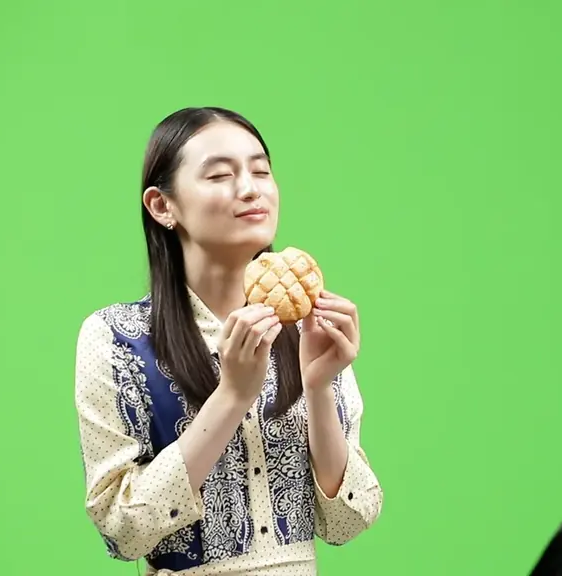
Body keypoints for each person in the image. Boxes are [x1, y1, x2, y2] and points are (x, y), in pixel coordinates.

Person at [74, 107, 383, 574]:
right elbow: (122, 530)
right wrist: (233, 396)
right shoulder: (117, 339)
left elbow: (347, 522)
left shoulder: (310, 329)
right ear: (162, 206)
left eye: (261, 171)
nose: (250, 189)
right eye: (220, 175)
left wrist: (319, 387)